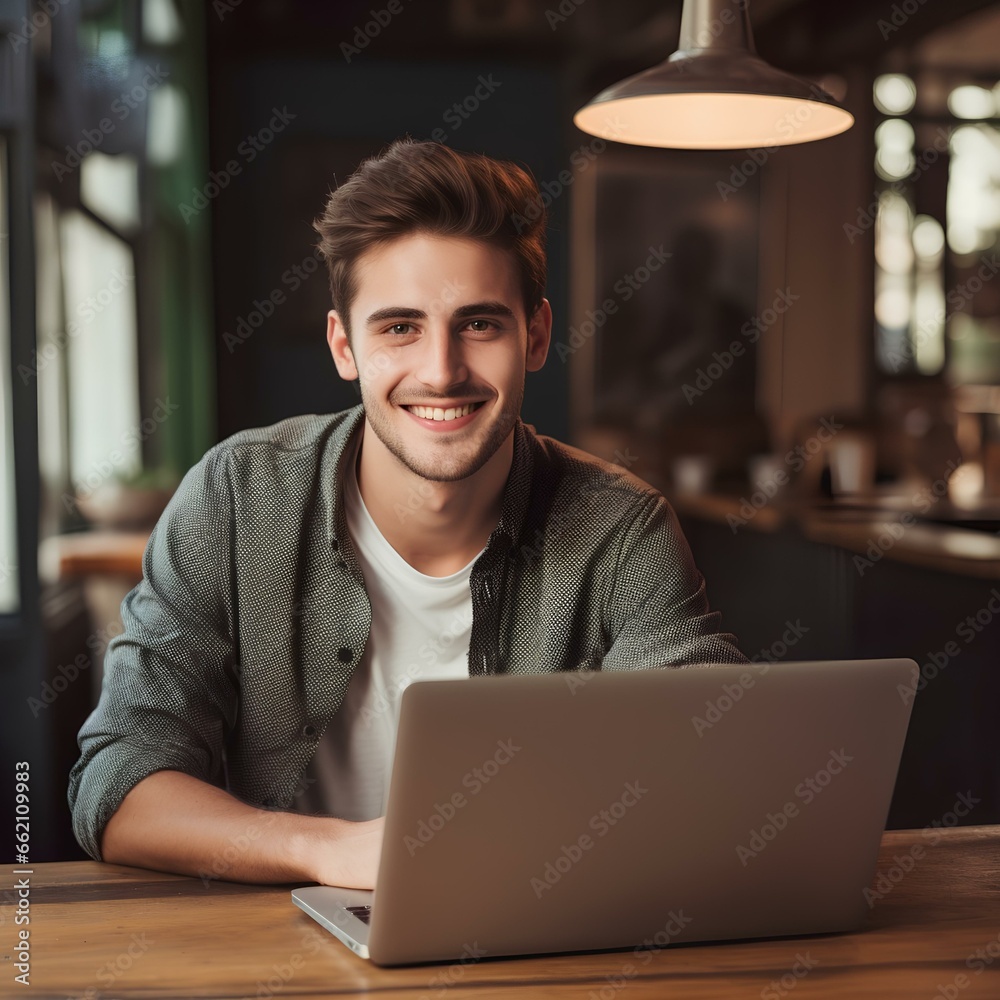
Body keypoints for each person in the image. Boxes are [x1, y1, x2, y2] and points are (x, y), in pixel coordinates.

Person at [68, 137, 748, 891]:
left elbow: (708, 754)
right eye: (399, 328)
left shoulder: (622, 530)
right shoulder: (235, 498)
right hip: (275, 954)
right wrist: (328, 851)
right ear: (343, 346)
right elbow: (120, 783)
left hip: (536, 940)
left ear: (537, 334)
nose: (441, 371)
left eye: (480, 324)